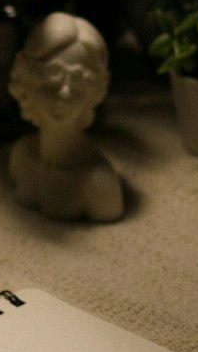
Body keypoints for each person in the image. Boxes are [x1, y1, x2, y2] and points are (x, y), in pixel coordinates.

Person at [7, 12, 123, 222]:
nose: (66, 93)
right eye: (53, 76)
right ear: (28, 79)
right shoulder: (21, 155)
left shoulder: (101, 185)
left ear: (95, 90)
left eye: (79, 81)